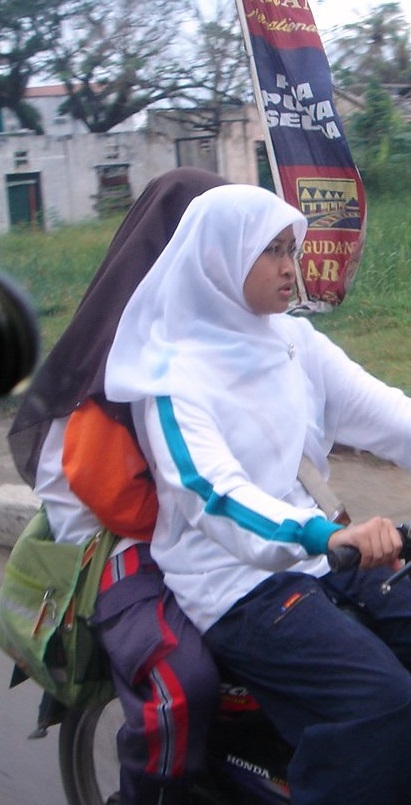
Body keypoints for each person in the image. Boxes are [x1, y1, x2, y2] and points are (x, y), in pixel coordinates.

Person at [103, 182, 411, 805]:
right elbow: (213, 494)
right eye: (271, 251)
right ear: (221, 259)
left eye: (291, 249)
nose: (289, 266)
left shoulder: (292, 342)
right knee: (381, 708)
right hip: (235, 584)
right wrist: (322, 534)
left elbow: (395, 418)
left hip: (325, 556)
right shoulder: (170, 377)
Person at [7, 167, 230, 804]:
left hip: (198, 531)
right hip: (117, 546)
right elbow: (97, 488)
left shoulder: (217, 324)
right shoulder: (117, 341)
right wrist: (199, 521)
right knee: (183, 685)